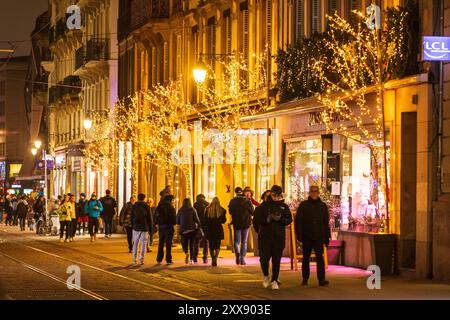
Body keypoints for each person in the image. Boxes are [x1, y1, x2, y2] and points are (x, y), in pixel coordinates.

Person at [253, 185, 293, 290]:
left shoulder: (283, 206)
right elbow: (256, 221)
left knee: (276, 260)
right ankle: (266, 276)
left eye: (277, 195)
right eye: (274, 194)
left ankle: (274, 280)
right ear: (271, 193)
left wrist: (280, 219)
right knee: (264, 259)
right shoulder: (263, 206)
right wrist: (267, 220)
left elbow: (289, 219)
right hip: (265, 237)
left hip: (278, 237)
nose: (275, 197)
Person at [295, 185, 331, 287]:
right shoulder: (304, 205)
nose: (314, 193)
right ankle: (305, 278)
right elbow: (299, 221)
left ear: (318, 193)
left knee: (320, 258)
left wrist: (326, 237)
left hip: (319, 236)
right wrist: (299, 234)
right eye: (312, 191)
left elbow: (325, 222)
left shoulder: (322, 206)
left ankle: (321, 279)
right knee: (306, 258)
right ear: (309, 193)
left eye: (316, 191)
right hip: (307, 236)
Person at [228, 187, 254, 265]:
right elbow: (252, 212)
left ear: (235, 192)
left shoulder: (232, 201)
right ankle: (242, 259)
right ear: (242, 192)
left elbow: (230, 211)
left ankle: (237, 255)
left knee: (236, 242)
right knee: (244, 242)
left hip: (236, 223)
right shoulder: (247, 201)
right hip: (246, 223)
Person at [177, 198, 201, 264]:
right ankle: (191, 260)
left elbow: (177, 221)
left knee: (184, 244)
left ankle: (186, 252)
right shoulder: (193, 209)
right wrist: (198, 225)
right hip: (192, 229)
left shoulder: (180, 210)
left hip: (183, 230)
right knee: (191, 245)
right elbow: (197, 220)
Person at [131, 194, 153, 265]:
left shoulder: (134, 206)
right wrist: (150, 228)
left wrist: (132, 225)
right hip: (144, 227)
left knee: (135, 243)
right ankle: (141, 259)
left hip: (136, 227)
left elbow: (131, 217)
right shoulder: (147, 206)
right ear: (144, 198)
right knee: (143, 244)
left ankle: (134, 259)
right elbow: (150, 218)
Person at [204, 197, 226, 267]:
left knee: (211, 246)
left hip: (210, 230)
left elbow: (205, 220)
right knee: (217, 245)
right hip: (218, 229)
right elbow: (223, 220)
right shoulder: (221, 210)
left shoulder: (207, 209)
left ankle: (213, 258)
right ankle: (215, 258)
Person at [155, 194, 176, 265]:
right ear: (170, 200)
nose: (173, 201)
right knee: (168, 243)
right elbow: (174, 219)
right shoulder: (171, 207)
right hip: (169, 227)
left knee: (161, 242)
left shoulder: (159, 206)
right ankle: (168, 259)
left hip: (161, 227)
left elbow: (155, 216)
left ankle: (159, 259)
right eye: (173, 200)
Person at [193, 194, 209, 264]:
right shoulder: (207, 204)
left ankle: (195, 257)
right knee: (206, 241)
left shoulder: (195, 205)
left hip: (197, 226)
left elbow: (193, 216)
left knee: (196, 241)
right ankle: (205, 258)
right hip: (206, 225)